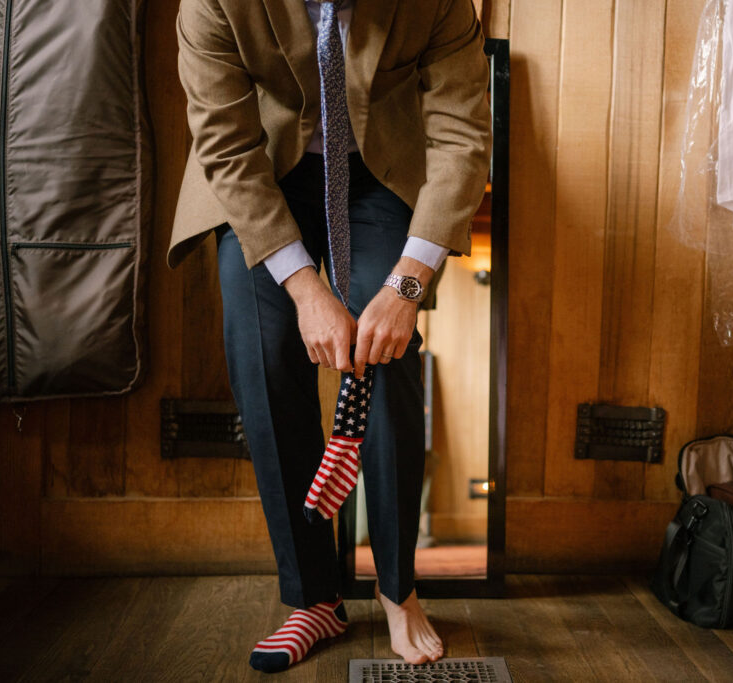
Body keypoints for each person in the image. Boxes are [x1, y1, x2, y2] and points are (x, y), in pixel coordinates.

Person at [167, 0, 492, 673]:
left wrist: (406, 286)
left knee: (388, 348)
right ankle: (313, 597)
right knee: (261, 347)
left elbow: (463, 136)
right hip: (261, 170)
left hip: (380, 169)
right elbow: (225, 147)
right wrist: (305, 289)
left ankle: (399, 587)